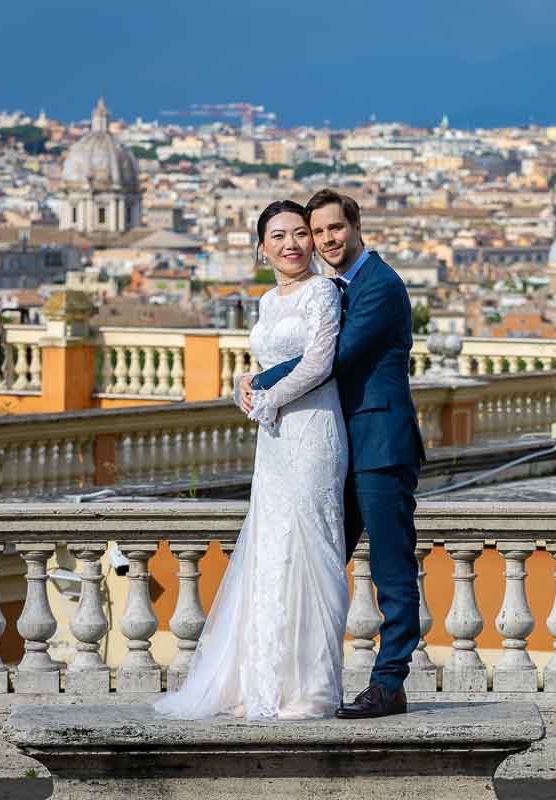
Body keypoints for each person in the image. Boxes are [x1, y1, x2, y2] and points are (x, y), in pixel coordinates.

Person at [154, 200, 349, 720]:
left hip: (311, 429)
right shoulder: (266, 300)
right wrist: (248, 382)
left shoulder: (323, 292)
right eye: (279, 236)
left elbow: (319, 363)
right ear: (261, 248)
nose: (292, 244)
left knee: (309, 547)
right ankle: (265, 681)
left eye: (301, 233)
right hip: (275, 436)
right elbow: (271, 361)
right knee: (270, 547)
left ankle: (310, 690)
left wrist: (267, 397)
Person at [241, 188, 425, 719]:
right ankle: (298, 678)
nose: (326, 240)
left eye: (333, 229)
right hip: (334, 447)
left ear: (356, 225)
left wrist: (257, 383)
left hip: (380, 445)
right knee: (314, 563)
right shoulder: (333, 288)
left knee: (390, 568)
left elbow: (334, 356)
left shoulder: (381, 286)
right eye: (317, 232)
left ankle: (390, 682)